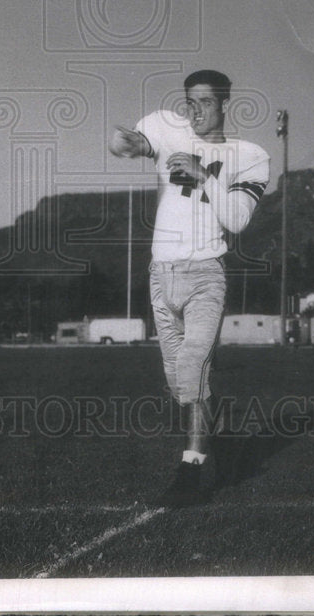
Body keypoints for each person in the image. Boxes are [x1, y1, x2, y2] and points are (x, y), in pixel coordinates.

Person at [109, 70, 270, 507]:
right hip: (160, 274)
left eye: (203, 102)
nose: (194, 110)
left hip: (205, 273)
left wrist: (203, 175)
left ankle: (191, 468)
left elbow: (236, 219)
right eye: (189, 102)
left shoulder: (250, 155)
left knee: (195, 367)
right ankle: (219, 451)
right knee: (179, 383)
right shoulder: (168, 127)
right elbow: (132, 145)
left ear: (223, 105)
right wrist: (124, 144)